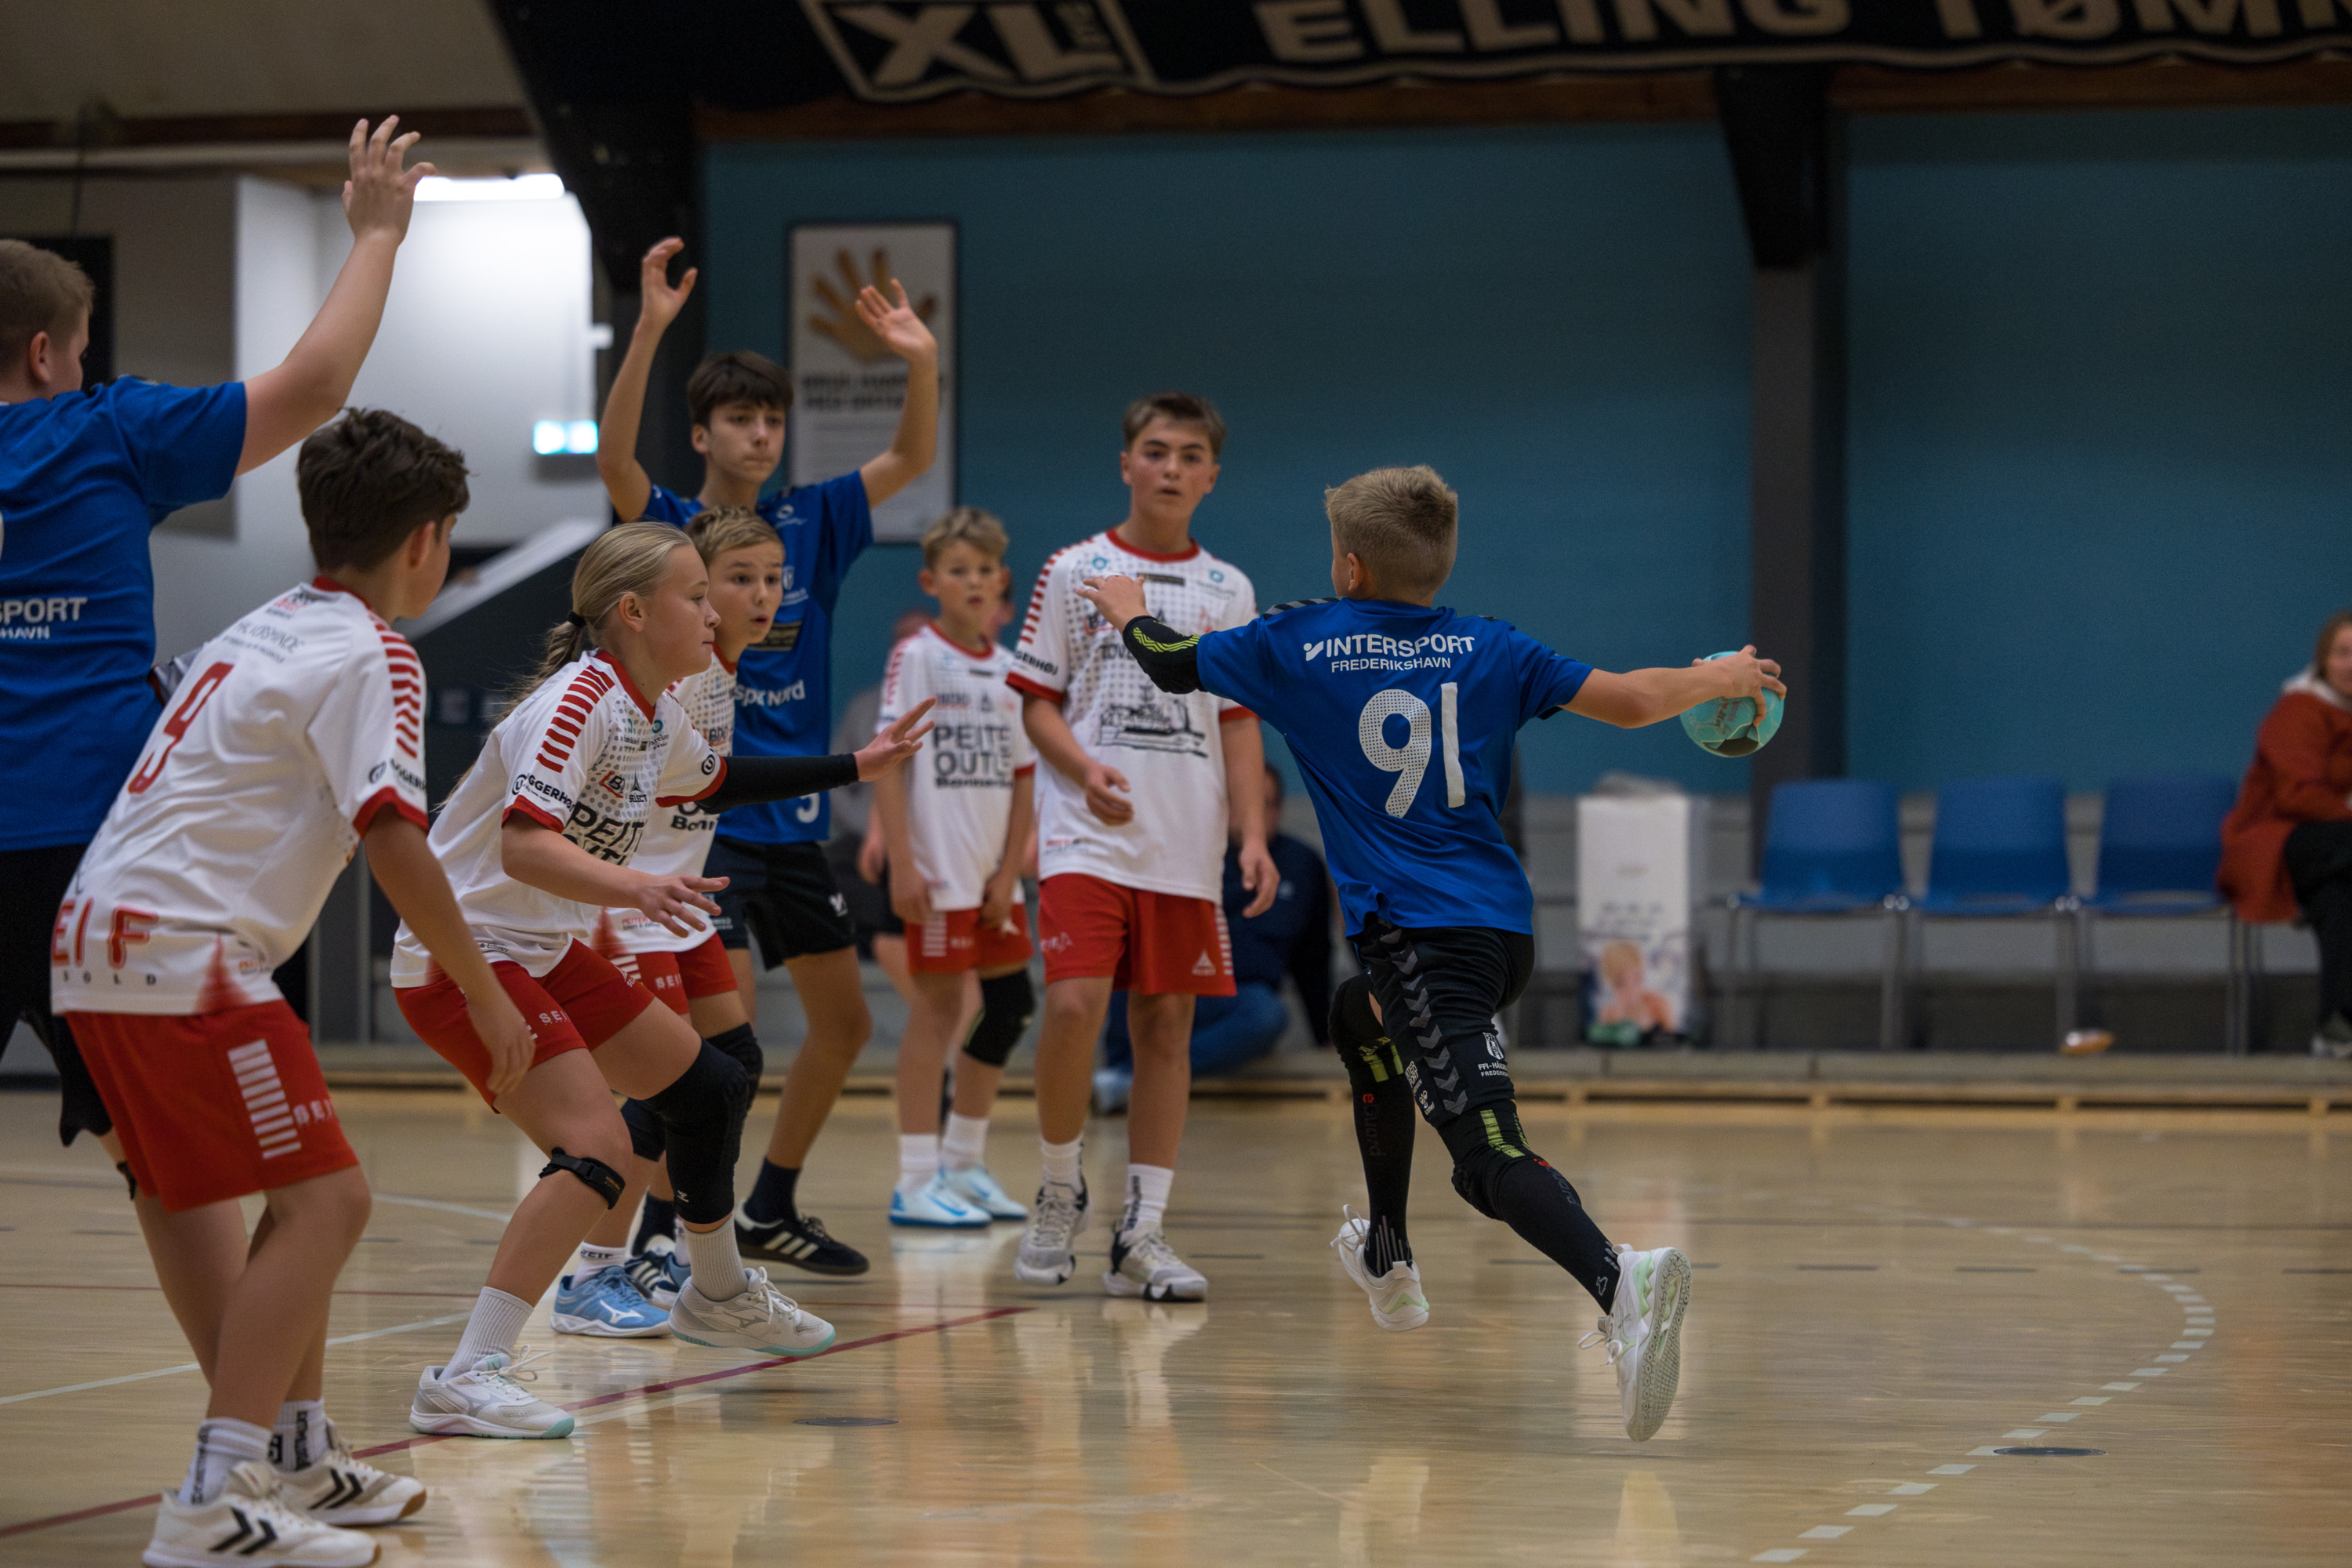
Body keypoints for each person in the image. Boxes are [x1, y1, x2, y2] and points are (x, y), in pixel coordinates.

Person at [1078, 463, 1784, 1442]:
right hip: (1499, 930)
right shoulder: (1495, 645)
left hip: (1417, 939)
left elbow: (1166, 658)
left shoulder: (1299, 641)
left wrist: (1125, 603)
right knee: (1356, 1017)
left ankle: (1621, 1279)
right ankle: (1387, 1249)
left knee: (1485, 1156)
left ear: (1351, 567)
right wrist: (1722, 678)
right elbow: (1630, 699)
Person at [51, 408, 532, 1566]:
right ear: (427, 541)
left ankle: (303, 1456)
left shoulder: (260, 625)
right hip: (185, 950)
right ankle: (211, 1498)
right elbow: (394, 836)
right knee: (330, 1203)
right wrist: (485, 988)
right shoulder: (376, 652)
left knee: (280, 1196)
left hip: (96, 940)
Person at [390, 524, 929, 1439]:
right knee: (596, 1146)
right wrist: (635, 885)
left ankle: (714, 1290)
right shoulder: (580, 701)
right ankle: (467, 1372)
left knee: (710, 1084)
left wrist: (856, 765)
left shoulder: (652, 708)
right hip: (466, 957)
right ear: (635, 612)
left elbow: (713, 782)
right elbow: (525, 845)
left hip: (537, 944)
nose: (715, 612)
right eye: (698, 594)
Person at [2, 119, 429, 1160]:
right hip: (82, 845)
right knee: (159, 1152)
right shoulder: (104, 430)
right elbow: (314, 385)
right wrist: (377, 236)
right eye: (80, 355)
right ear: (47, 353)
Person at [596, 236, 938, 1279]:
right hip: (706, 826)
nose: (759, 433)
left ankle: (768, 1206)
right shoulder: (670, 527)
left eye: (772, 420)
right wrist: (649, 331)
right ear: (704, 432)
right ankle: (662, 1236)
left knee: (844, 1025)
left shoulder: (815, 517)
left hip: (795, 818)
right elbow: (614, 463)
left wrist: (921, 363)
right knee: (714, 1043)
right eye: (741, 418)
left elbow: (910, 459)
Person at [1005, 390, 1276, 1302]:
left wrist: (1252, 831)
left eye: (1189, 455)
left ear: (1211, 476)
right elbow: (1036, 701)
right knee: (1073, 1005)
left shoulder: (1229, 588)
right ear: (1126, 463)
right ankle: (1058, 1187)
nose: (1170, 467)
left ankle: (1142, 1231)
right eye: (1155, 450)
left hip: (1184, 841)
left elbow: (1238, 718)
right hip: (1086, 834)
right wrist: (1081, 768)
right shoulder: (1073, 567)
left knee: (1166, 1025)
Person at [550, 506, 781, 1336]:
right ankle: (595, 1266)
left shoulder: (714, 672)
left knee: (735, 1061)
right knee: (667, 1083)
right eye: (733, 581)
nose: (758, 596)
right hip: (631, 901)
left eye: (772, 579)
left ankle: (682, 1247)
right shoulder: (671, 671)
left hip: (676, 900)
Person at [873, 507, 1038, 1227]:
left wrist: (1010, 873)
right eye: (958, 570)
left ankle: (964, 1164)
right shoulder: (918, 656)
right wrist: (902, 862)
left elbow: (1025, 775)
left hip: (992, 875)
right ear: (930, 580)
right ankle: (915, 1178)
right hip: (938, 870)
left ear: (1002, 581)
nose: (973, 582)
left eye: (985, 570)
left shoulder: (1010, 670)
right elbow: (887, 762)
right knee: (938, 1011)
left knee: (1008, 1006)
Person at [1096, 762, 1334, 1109]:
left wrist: (1325, 1035)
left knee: (1266, 1015)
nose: (1255, 816)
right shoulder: (1188, 853)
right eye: (1244, 804)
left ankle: (1134, 1081)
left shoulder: (1302, 863)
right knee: (1138, 976)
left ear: (1280, 809)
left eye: (1267, 805)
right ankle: (1127, 1064)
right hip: (1183, 984)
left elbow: (1314, 957)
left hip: (1242, 998)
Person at [2221, 608, 2352, 1058]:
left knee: (2340, 897)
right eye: (2342, 653)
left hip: (2336, 850)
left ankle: (2336, 1026)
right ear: (2323, 660)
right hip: (2276, 840)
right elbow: (2299, 796)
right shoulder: (2298, 711)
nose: (2351, 664)